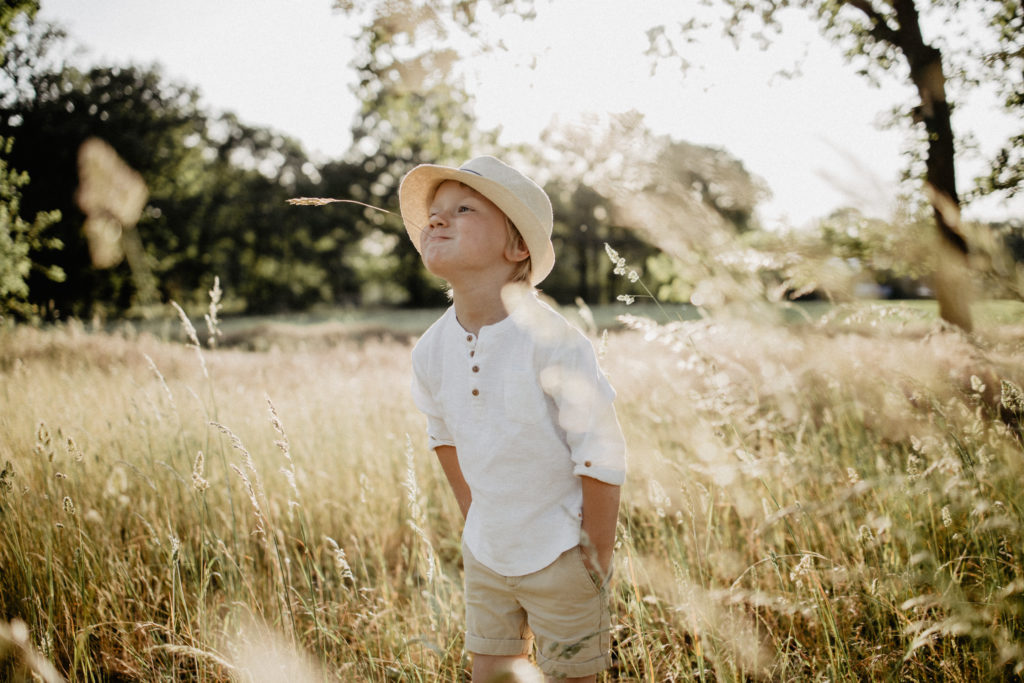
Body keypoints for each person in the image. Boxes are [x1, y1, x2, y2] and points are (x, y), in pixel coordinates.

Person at [400, 155, 627, 682]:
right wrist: (476, 517)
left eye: (463, 209)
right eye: (433, 213)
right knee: (493, 674)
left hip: (562, 553)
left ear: (517, 246)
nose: (437, 219)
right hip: (488, 554)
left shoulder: (554, 344)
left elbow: (601, 451)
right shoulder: (431, 350)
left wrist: (594, 556)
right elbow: (443, 436)